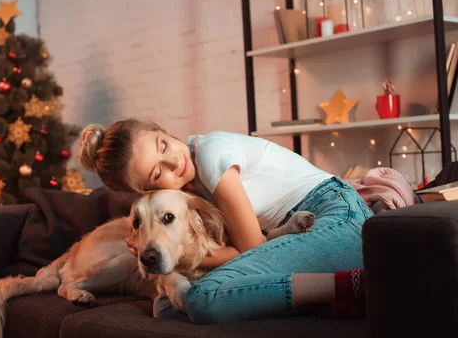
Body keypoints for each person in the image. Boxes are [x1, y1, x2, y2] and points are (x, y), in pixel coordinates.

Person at [79, 119, 373, 324]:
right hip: (306, 231)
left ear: (163, 131)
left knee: (201, 300)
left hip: (335, 216)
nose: (173, 161)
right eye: (158, 174)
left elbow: (253, 248)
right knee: (167, 304)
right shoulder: (192, 190)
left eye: (164, 145)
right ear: (150, 190)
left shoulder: (210, 155)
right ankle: (333, 297)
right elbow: (245, 250)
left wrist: (174, 261)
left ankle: (358, 287)